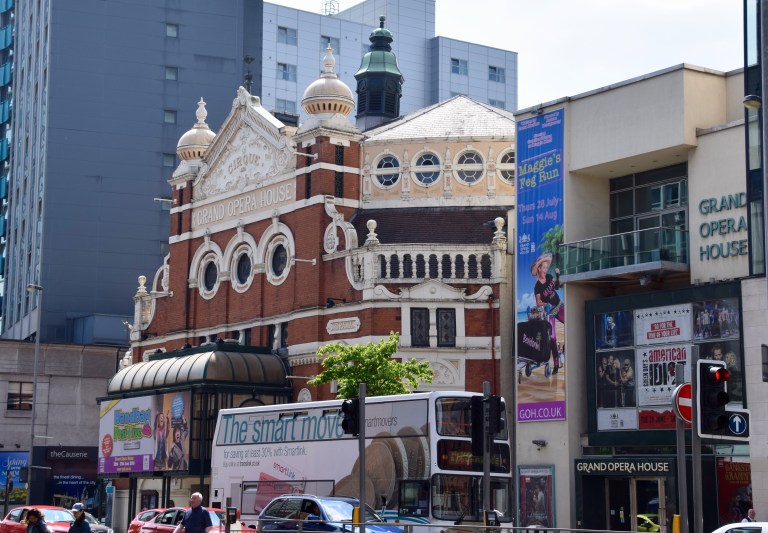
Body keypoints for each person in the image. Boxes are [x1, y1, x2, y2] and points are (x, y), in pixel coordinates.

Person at [531, 252, 564, 372]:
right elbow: (538, 302)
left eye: (546, 267)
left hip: (559, 305)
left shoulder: (549, 277)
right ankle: (556, 365)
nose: (545, 270)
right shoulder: (537, 286)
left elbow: (558, 287)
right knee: (552, 338)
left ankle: (566, 350)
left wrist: (558, 275)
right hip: (550, 313)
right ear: (539, 269)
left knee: (571, 322)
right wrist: (546, 304)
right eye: (543, 268)